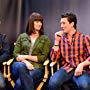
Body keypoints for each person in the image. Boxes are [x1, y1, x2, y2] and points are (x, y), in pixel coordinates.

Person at [48, 12, 90, 90]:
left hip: (81, 70)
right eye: (61, 23)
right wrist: (56, 42)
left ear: (72, 24)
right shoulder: (60, 39)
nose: (61, 26)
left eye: (64, 23)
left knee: (85, 86)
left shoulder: (84, 38)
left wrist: (82, 65)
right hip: (66, 68)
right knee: (52, 83)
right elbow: (53, 59)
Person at [11, 12, 50, 90]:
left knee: (19, 83)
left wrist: (26, 56)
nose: (40, 24)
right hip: (19, 65)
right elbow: (15, 54)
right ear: (31, 22)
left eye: (41, 22)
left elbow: (43, 57)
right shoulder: (22, 36)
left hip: (36, 68)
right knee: (22, 66)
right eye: (37, 21)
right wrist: (26, 62)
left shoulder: (45, 39)